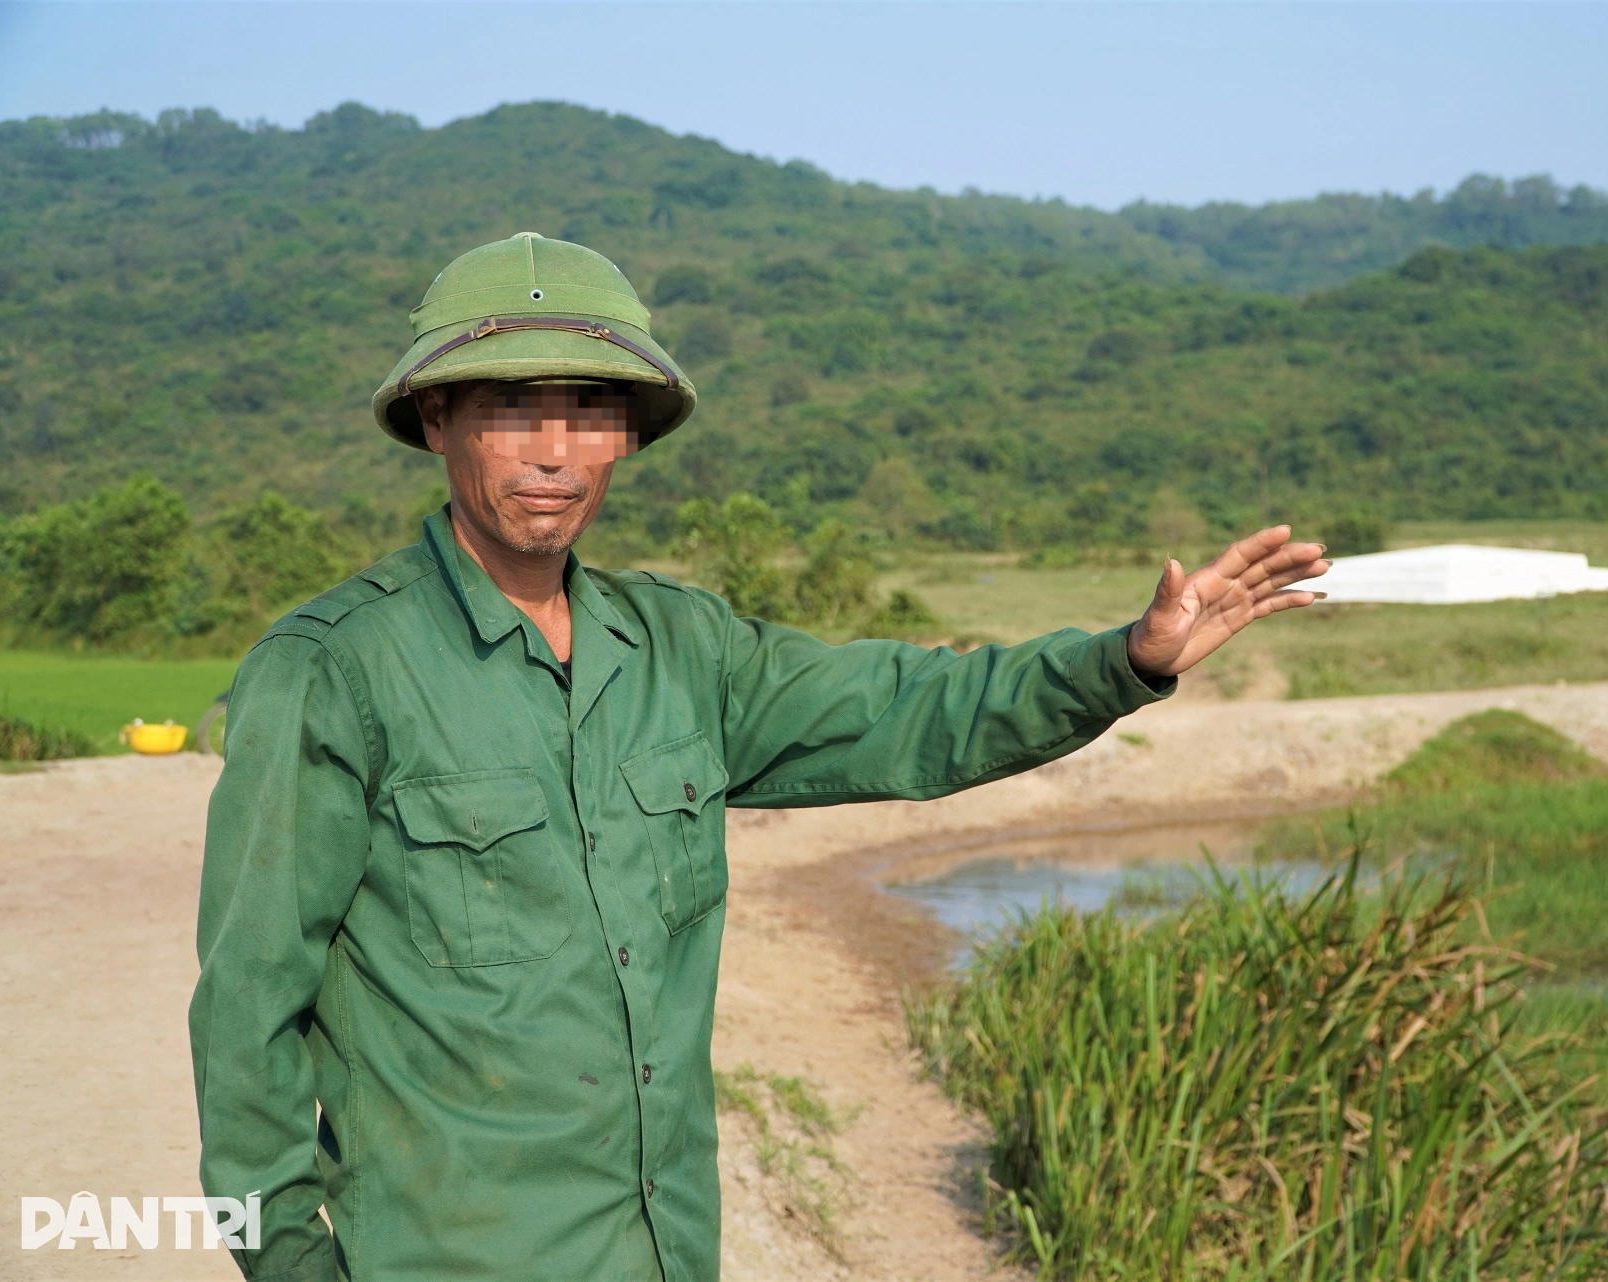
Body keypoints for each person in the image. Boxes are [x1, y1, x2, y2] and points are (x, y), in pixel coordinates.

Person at [190, 232, 1327, 1282]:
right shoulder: (334, 670)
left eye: (589, 410)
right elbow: (245, 1020)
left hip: (667, 1246)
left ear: (628, 432)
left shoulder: (686, 651)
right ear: (436, 419)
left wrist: (1124, 659)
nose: (554, 449)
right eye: (509, 406)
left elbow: (909, 706)